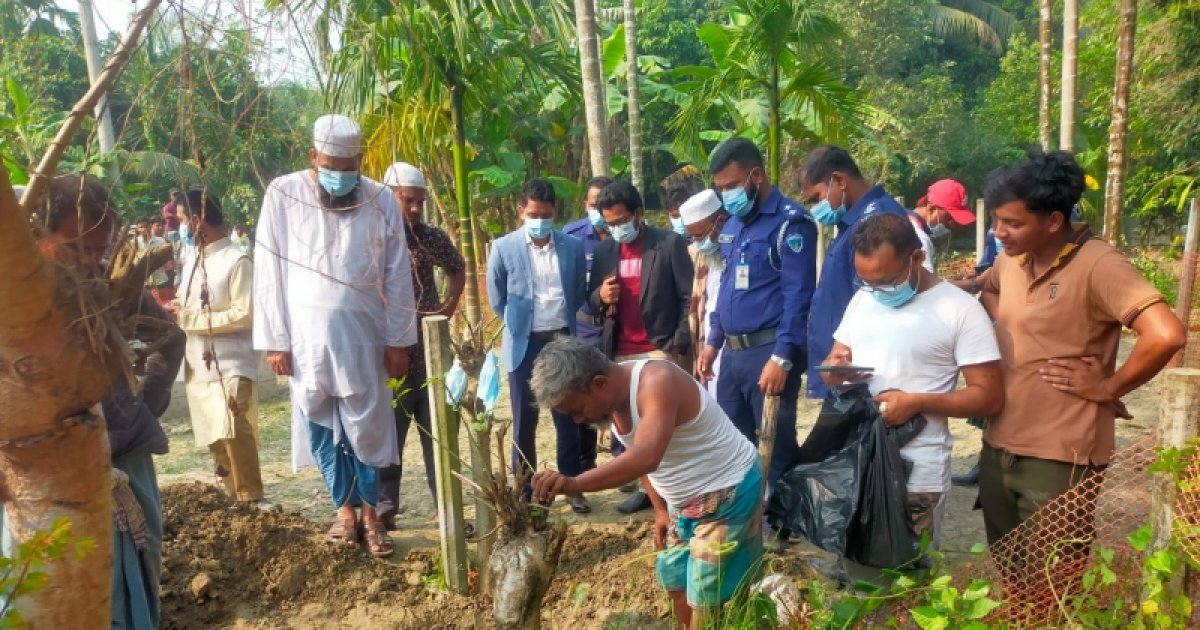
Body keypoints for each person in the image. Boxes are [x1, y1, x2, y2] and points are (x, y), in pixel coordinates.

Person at [976, 150, 1185, 545]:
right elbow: (987, 288)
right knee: (1009, 571)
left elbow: (1167, 334)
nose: (997, 232)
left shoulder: (1098, 265)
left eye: (1012, 223)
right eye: (995, 221)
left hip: (1059, 455)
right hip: (998, 442)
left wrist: (1108, 387)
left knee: (1054, 584)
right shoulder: (1013, 260)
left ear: (1054, 221)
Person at [253, 114, 418, 558]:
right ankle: (344, 513)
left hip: (367, 338)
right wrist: (275, 340)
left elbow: (399, 273)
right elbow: (268, 271)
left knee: (368, 428)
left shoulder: (381, 199)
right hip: (305, 342)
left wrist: (400, 340)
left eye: (350, 166)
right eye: (332, 165)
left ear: (361, 161)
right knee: (320, 424)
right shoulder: (283, 194)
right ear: (313, 157)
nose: (341, 176)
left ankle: (372, 516)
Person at [529, 337, 762, 629]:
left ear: (599, 383)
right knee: (676, 582)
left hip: (728, 491)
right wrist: (660, 511)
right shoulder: (613, 400)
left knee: (706, 595)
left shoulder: (656, 381)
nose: (578, 420)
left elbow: (646, 456)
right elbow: (639, 456)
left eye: (576, 409)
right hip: (683, 504)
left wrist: (575, 483)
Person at [34, 175, 184, 629]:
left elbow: (170, 338)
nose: (92, 260)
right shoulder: (21, 305)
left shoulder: (112, 288)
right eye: (77, 247)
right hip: (49, 475)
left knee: (135, 581)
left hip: (126, 461)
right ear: (39, 237)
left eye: (101, 248)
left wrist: (139, 408)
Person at [819, 213, 1004, 546]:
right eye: (867, 281)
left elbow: (989, 397)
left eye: (886, 280)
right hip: (859, 460)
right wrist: (835, 370)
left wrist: (918, 402)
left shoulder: (959, 310)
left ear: (917, 258)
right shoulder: (863, 299)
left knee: (911, 584)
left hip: (918, 474)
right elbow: (837, 356)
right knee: (860, 579)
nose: (876, 290)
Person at [695, 138, 817, 489]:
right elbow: (727, 289)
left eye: (732, 185)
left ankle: (778, 526)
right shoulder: (733, 225)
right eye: (721, 188)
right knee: (732, 443)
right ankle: (744, 523)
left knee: (774, 444)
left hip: (768, 352)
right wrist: (713, 342)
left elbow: (798, 296)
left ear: (757, 176)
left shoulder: (790, 225)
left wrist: (783, 357)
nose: (727, 194)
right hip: (732, 356)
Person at [589, 180, 695, 514]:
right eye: (610, 223)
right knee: (630, 430)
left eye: (621, 221)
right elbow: (590, 301)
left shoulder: (668, 244)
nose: (616, 229)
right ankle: (648, 492)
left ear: (639, 213)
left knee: (665, 428)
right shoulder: (606, 250)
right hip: (618, 352)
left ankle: (677, 492)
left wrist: (678, 342)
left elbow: (686, 297)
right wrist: (599, 297)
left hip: (658, 349)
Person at [485, 179, 589, 509]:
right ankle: (525, 491)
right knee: (524, 422)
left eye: (545, 214)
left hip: (561, 342)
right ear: (521, 212)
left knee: (567, 417)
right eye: (533, 213)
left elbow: (577, 292)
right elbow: (497, 297)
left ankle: (572, 487)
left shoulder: (571, 247)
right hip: (524, 344)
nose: (540, 220)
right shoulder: (503, 248)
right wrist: (518, 325)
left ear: (555, 212)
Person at [376, 162, 466, 529]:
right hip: (389, 360)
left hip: (429, 358)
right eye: (407, 200)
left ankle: (446, 508)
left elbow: (457, 268)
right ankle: (385, 509)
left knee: (438, 437)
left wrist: (447, 308)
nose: (415, 209)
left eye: (420, 203)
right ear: (388, 196)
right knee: (389, 439)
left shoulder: (431, 238)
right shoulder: (374, 236)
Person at [176, 188, 266, 505]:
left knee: (233, 426)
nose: (181, 227)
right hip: (199, 364)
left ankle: (251, 497)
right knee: (214, 433)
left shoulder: (237, 260)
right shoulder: (192, 260)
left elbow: (246, 312)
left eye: (183, 220)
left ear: (198, 220)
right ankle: (232, 498)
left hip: (232, 361)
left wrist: (191, 318)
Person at [798, 145, 908, 401]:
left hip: (866, 373)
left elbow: (877, 301)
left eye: (816, 198)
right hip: (846, 368)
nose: (815, 208)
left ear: (839, 181)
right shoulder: (850, 222)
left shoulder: (878, 220)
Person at [560, 176, 611, 497]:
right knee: (581, 398)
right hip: (583, 329)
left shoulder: (624, 234)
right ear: (585, 205)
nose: (599, 212)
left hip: (616, 331)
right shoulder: (572, 238)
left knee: (614, 397)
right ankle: (581, 465)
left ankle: (613, 464)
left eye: (603, 206)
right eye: (594, 205)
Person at [680, 189, 728, 400]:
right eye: (692, 237)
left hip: (735, 344)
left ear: (720, 221)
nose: (698, 243)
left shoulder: (736, 250)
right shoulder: (703, 256)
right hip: (709, 342)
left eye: (700, 235)